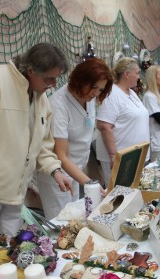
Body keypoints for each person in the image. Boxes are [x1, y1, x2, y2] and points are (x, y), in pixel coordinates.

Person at [0, 43, 73, 236]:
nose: (53, 85)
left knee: (10, 250)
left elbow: (41, 144)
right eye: (49, 79)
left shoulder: (41, 99)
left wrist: (54, 170)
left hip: (15, 194)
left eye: (56, 79)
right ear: (31, 71)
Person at [36, 58, 113, 220]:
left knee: (76, 219)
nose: (95, 93)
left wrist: (84, 180)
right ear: (80, 80)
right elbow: (61, 156)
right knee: (61, 223)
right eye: (93, 87)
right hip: (57, 176)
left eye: (100, 89)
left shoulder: (88, 99)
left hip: (76, 172)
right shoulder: (59, 105)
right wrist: (90, 183)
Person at [96, 57, 150, 186]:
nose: (139, 76)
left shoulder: (131, 93)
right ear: (126, 74)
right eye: (137, 73)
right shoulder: (111, 94)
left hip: (136, 156)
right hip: (121, 158)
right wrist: (114, 155)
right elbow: (104, 126)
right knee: (118, 197)